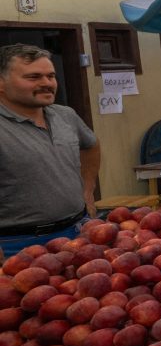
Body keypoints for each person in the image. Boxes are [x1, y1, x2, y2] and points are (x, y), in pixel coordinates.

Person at [0, 44, 100, 257]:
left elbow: (91, 145)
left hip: (78, 231)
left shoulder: (65, 115)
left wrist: (88, 190)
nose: (47, 83)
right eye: (33, 77)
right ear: (1, 82)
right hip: (17, 246)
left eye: (50, 76)